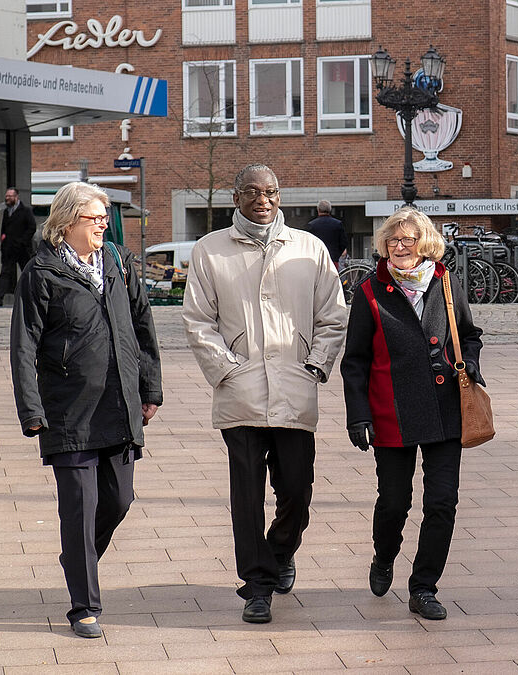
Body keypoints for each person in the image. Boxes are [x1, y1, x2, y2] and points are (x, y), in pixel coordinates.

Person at [183, 164, 347, 624]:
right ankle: (257, 586)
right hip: (241, 394)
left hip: (295, 389)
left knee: (297, 490)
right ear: (236, 197)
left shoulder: (309, 249)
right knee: (247, 497)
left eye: (271, 191)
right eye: (253, 191)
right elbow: (198, 321)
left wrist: (314, 365)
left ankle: (280, 552)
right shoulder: (210, 250)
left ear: (281, 195)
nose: (263, 199)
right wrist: (227, 369)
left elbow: (333, 316)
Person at [10, 181, 163, 639]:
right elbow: (23, 346)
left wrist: (150, 388)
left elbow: (142, 325)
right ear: (67, 220)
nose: (103, 224)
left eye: (104, 217)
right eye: (95, 217)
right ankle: (84, 607)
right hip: (69, 412)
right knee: (79, 509)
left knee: (119, 500)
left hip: (119, 407)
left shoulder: (117, 261)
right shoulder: (41, 272)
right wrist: (31, 410)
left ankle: (77, 557)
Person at [340, 207, 484, 621]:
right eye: (393, 241)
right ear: (384, 245)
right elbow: (355, 360)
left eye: (409, 240)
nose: (400, 247)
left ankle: (423, 587)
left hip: (445, 411)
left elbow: (470, 335)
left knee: (442, 503)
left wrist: (470, 364)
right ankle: (383, 556)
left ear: (426, 244)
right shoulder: (370, 291)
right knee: (394, 502)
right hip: (392, 412)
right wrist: (358, 415)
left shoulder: (446, 282)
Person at [0, 187, 38, 306]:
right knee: (6, 271)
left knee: (27, 271)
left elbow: (32, 227)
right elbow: (4, 228)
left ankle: (34, 295)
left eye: (10, 196)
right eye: (6, 196)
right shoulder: (7, 212)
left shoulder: (26, 211)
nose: (7, 198)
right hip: (9, 248)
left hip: (22, 248)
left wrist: (23, 241)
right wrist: (3, 239)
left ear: (16, 197)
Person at [304, 199, 349, 268]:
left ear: (318, 210)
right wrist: (336, 255)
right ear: (330, 210)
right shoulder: (338, 224)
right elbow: (344, 243)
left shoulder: (311, 225)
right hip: (332, 260)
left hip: (316, 260)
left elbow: (307, 244)